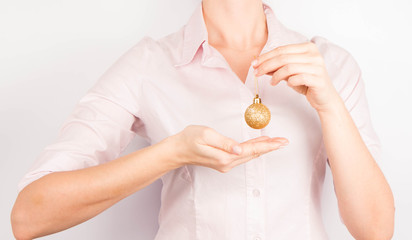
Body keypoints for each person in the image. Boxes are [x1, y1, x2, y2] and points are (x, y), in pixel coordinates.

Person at [10, 0, 395, 239]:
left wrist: (329, 105)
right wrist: (172, 153)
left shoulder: (329, 65)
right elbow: (29, 216)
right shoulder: (149, 66)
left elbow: (376, 231)